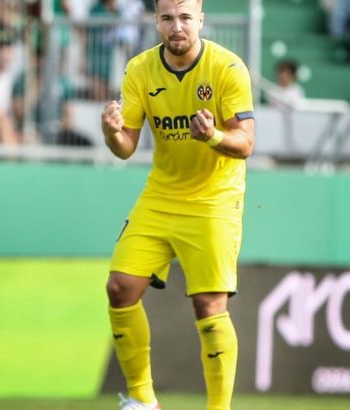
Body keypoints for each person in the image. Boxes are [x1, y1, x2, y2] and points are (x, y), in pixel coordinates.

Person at [100, 0, 254, 409]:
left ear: (201, 20)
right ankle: (143, 401)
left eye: (185, 17)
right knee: (119, 287)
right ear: (156, 21)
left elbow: (246, 144)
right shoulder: (139, 69)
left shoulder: (228, 69)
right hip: (163, 193)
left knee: (209, 304)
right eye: (168, 18)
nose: (177, 27)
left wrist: (214, 138)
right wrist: (111, 133)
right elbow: (126, 148)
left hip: (214, 197)